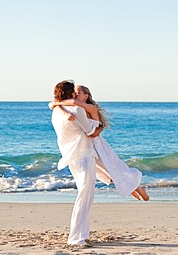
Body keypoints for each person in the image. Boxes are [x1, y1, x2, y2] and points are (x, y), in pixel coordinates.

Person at [50, 84, 149, 201]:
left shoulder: (89, 108)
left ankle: (137, 188)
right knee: (105, 174)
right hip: (87, 147)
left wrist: (57, 104)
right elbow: (53, 104)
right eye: (74, 92)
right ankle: (132, 187)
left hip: (97, 144)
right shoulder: (74, 107)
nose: (75, 95)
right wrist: (60, 108)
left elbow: (57, 104)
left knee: (115, 169)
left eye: (78, 93)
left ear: (85, 96)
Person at [51, 80, 106, 246]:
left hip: (72, 157)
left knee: (85, 196)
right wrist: (101, 126)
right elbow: (91, 132)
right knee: (84, 197)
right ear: (71, 94)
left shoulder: (56, 112)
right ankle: (76, 238)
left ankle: (81, 234)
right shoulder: (77, 110)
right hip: (84, 156)